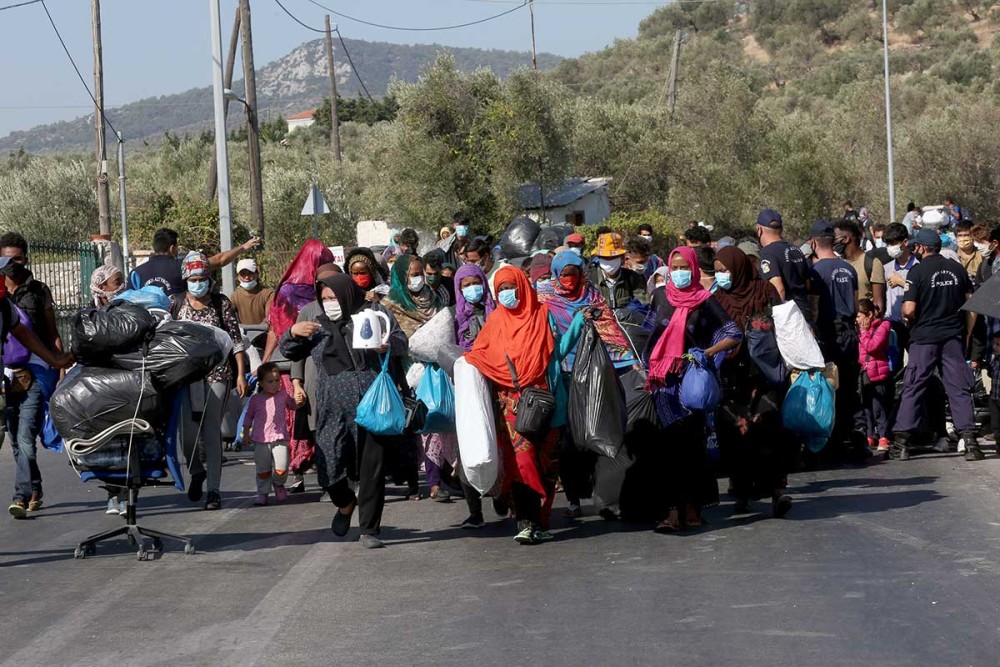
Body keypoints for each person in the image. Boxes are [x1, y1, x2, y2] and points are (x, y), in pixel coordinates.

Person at [280, 274, 408, 549]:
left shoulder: (374, 314)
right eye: (324, 299)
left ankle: (370, 529)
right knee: (329, 470)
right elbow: (288, 351)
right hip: (332, 410)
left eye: (333, 298)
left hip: (373, 405)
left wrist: (385, 345)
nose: (329, 303)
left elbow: (401, 342)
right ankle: (346, 503)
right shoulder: (318, 327)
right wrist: (292, 332)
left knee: (372, 469)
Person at [466, 266, 586, 544]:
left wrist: (579, 323)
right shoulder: (495, 323)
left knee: (547, 465)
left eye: (512, 287)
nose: (508, 294)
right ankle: (525, 520)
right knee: (522, 462)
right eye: (502, 290)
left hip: (548, 403)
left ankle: (540, 522)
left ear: (523, 286)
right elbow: (479, 357)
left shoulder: (543, 315)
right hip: (512, 407)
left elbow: (557, 351)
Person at [644, 247, 741, 532]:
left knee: (690, 449)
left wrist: (705, 353)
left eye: (684, 266)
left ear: (695, 268)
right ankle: (673, 511)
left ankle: (691, 507)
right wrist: (645, 367)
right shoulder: (661, 297)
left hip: (691, 383)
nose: (678, 272)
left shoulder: (705, 300)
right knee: (669, 449)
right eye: (673, 267)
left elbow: (733, 333)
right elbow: (648, 333)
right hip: (664, 386)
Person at [537, 250, 639, 518]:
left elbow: (611, 332)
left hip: (595, 376)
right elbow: (544, 338)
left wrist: (629, 359)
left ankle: (602, 494)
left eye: (574, 273)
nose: (570, 279)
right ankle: (573, 499)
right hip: (564, 376)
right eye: (565, 274)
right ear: (557, 274)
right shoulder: (544, 298)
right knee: (568, 442)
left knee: (597, 433)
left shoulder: (592, 295)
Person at [712, 246, 793, 518]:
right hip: (731, 380)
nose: (721, 275)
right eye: (718, 271)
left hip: (764, 376)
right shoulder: (717, 299)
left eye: (725, 270)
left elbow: (783, 326)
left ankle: (776, 493)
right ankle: (743, 492)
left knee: (768, 431)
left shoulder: (765, 291)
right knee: (736, 436)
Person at [892, 229, 981, 461]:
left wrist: (907, 319)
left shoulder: (917, 271)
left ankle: (901, 442)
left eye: (915, 247)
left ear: (921, 248)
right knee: (958, 388)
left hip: (924, 339)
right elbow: (971, 305)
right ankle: (970, 442)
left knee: (914, 386)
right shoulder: (957, 268)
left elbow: (909, 309)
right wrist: (968, 336)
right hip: (952, 337)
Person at [173, 252, 249, 510]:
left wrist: (240, 373)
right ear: (185, 279)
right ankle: (196, 471)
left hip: (218, 374)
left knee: (211, 431)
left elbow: (236, 340)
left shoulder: (221, 304)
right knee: (188, 434)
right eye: (193, 278)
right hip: (185, 377)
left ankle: (214, 490)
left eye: (202, 278)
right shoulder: (177, 304)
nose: (198, 283)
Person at [262, 240, 335, 492]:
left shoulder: (331, 293)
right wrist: (268, 360)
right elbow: (277, 328)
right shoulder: (289, 292)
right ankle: (297, 472)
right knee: (295, 420)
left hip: (318, 362)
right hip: (292, 363)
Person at [0, 232, 64, 515]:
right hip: (7, 373)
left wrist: (59, 366)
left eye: (18, 258)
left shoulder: (39, 291)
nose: (13, 264)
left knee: (25, 435)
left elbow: (52, 334)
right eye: (7, 259)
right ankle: (34, 486)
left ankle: (20, 496)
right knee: (16, 438)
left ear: (26, 258)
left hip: (36, 368)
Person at [382, 254, 446, 499]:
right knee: (411, 429)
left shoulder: (434, 299)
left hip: (435, 371)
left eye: (421, 273)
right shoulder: (390, 306)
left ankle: (436, 481)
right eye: (413, 274)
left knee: (434, 424)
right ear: (401, 276)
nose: (418, 279)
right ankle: (414, 480)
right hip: (404, 375)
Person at [807, 220, 865, 461]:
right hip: (850, 334)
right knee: (851, 388)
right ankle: (856, 438)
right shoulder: (848, 268)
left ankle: (831, 443)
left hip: (829, 335)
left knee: (829, 389)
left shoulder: (817, 271)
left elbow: (814, 308)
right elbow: (855, 300)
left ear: (813, 244)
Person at [452, 263, 498, 528]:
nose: (472, 289)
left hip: (497, 387)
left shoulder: (499, 313)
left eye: (476, 282)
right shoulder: (454, 317)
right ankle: (475, 510)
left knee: (500, 445)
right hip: (468, 391)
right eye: (466, 285)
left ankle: (502, 497)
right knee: (468, 448)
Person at [129, 227, 259, 296]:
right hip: (177, 329)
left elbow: (129, 300)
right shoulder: (185, 266)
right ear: (172, 248)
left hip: (147, 331)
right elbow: (219, 261)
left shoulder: (136, 273)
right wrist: (243, 247)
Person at [243, 362, 296, 506]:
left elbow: (293, 405)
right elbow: (248, 416)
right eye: (270, 381)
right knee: (263, 469)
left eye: (277, 380)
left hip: (280, 438)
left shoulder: (283, 395)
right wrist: (246, 432)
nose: (275, 384)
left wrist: (299, 400)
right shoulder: (256, 399)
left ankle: (278, 484)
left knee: (282, 468)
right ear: (261, 383)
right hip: (261, 440)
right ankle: (263, 493)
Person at [755, 209, 812, 320]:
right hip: (804, 311)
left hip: (789, 318)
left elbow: (778, 289)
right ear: (781, 229)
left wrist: (774, 318)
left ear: (759, 230)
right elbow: (808, 284)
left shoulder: (767, 253)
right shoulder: (796, 250)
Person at [857, 299, 893, 454]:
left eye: (859, 316)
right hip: (865, 372)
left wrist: (864, 333)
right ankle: (871, 434)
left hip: (878, 372)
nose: (857, 320)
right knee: (866, 406)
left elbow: (872, 346)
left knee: (879, 406)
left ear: (869, 314)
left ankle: (884, 435)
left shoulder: (883, 326)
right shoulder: (858, 329)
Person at [834, 218, 886, 316]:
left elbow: (878, 304)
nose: (833, 243)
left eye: (835, 239)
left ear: (846, 239)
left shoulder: (872, 263)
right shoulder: (838, 263)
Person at [588, 232, 648, 309]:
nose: (609, 261)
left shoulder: (633, 279)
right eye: (604, 257)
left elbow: (643, 306)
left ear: (622, 258)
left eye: (613, 257)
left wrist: (627, 313)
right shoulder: (590, 279)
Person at [883, 223, 917, 352]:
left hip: (913, 325)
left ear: (905, 242)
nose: (890, 248)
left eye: (893, 244)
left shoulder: (918, 267)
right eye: (888, 244)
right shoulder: (886, 268)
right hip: (891, 323)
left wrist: (902, 282)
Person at [229, 258, 274, 326]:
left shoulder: (268, 294)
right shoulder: (235, 296)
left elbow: (269, 317)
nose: (246, 277)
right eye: (243, 274)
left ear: (256, 274)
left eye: (250, 273)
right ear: (238, 276)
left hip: (264, 333)